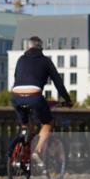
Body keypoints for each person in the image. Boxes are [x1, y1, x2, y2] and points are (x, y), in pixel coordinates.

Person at [11, 36, 73, 164]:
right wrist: (67, 100)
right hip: (34, 96)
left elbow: (16, 77)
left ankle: (20, 152)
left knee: (26, 125)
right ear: (41, 48)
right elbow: (58, 83)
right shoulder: (46, 61)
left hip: (16, 95)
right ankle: (37, 152)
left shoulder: (20, 59)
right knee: (48, 123)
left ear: (28, 47)